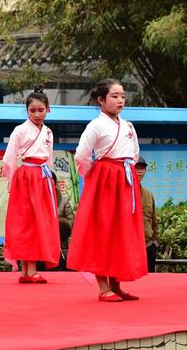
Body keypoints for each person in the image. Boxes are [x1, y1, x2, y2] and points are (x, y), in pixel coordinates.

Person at [67, 79, 147, 302]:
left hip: (124, 179)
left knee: (122, 231)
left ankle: (116, 283)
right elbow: (82, 156)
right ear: (100, 100)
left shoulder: (128, 125)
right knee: (103, 230)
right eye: (114, 96)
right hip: (105, 180)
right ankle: (103, 286)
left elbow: (134, 152)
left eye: (122, 96)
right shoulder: (96, 125)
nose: (120, 100)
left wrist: (126, 174)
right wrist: (94, 177)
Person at [3, 86, 60, 283]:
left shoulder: (48, 132)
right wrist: (12, 181)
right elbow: (9, 158)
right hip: (26, 177)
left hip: (42, 178)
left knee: (39, 222)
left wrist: (49, 180)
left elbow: (49, 158)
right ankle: (27, 269)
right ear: (27, 111)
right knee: (26, 222)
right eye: (32, 111)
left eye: (40, 110)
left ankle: (30, 269)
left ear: (48, 109)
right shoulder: (20, 130)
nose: (37, 114)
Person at [135, 156, 158, 273]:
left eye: (142, 168)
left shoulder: (149, 195)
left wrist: (155, 241)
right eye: (136, 167)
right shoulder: (123, 193)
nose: (139, 171)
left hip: (148, 246)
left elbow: (154, 221)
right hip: (130, 249)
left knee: (150, 284)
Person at [52, 172, 75, 271]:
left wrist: (58, 225)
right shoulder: (37, 200)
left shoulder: (64, 201)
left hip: (62, 243)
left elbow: (72, 221)